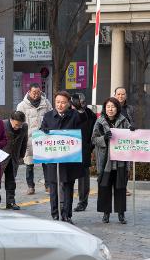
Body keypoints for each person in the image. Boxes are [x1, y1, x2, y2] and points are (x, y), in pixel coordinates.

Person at [40, 91, 83, 224]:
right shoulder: (48, 116)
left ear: (69, 103)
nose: (60, 105)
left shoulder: (75, 115)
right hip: (53, 158)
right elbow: (41, 131)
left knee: (68, 186)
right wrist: (44, 131)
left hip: (69, 158)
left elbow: (83, 127)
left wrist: (81, 109)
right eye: (58, 102)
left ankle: (67, 214)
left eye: (63, 102)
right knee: (53, 186)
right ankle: (55, 214)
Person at [92, 97, 134, 224]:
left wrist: (133, 130)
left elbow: (131, 138)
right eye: (108, 107)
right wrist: (104, 138)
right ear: (105, 108)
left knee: (121, 187)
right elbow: (93, 139)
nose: (110, 109)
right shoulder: (100, 122)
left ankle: (121, 214)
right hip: (105, 161)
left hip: (120, 161)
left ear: (117, 108)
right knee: (104, 187)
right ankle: (106, 214)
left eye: (113, 107)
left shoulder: (124, 120)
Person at [17, 83, 52, 195]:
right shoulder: (22, 105)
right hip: (29, 139)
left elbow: (51, 116)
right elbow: (18, 121)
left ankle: (48, 185)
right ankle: (30, 187)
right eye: (34, 92)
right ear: (29, 92)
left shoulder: (46, 103)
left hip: (43, 137)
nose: (36, 95)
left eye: (38, 92)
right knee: (29, 164)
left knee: (46, 164)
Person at [71, 93, 97, 212]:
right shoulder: (68, 113)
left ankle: (82, 202)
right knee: (67, 177)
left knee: (83, 178)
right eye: (78, 101)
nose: (81, 103)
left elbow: (94, 132)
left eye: (82, 101)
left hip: (84, 149)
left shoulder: (90, 114)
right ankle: (65, 201)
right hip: (68, 149)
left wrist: (90, 147)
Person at [0, 111, 28, 210]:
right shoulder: (2, 124)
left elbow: (24, 140)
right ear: (11, 120)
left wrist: (21, 155)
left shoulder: (24, 127)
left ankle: (10, 202)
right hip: (1, 156)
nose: (18, 127)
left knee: (11, 181)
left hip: (14, 157)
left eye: (20, 125)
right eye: (16, 125)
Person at [114, 86, 135, 196]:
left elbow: (132, 121)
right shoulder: (111, 106)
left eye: (123, 94)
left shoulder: (130, 108)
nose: (121, 96)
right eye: (118, 94)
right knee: (115, 166)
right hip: (114, 140)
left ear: (126, 95)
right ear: (115, 95)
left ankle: (124, 187)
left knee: (127, 166)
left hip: (127, 140)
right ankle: (114, 187)